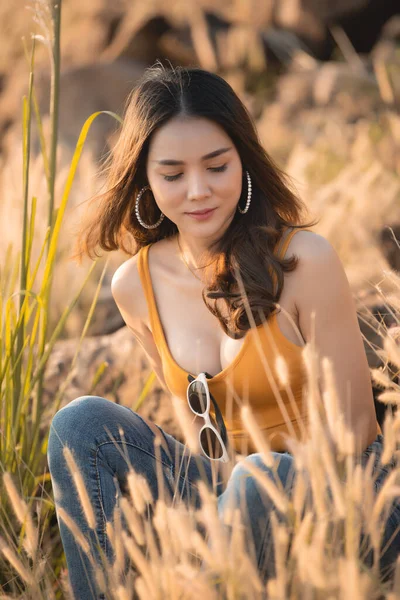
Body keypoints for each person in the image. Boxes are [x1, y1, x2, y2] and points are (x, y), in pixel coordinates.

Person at [47, 62, 400, 599]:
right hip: (233, 493)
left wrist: (253, 488)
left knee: (260, 474)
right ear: (144, 177)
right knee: (79, 426)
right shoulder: (135, 286)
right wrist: (217, 513)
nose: (198, 191)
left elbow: (356, 435)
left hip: (344, 502)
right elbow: (202, 439)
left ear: (245, 161)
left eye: (217, 166)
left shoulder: (304, 260)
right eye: (172, 174)